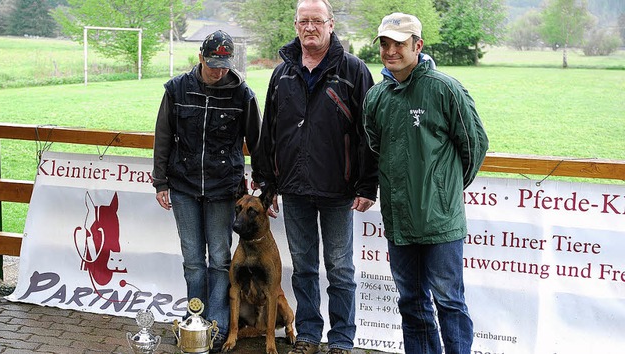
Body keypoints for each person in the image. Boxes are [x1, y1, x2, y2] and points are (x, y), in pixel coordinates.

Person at [252, 0, 378, 353]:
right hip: (293, 188)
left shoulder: (353, 70)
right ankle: (307, 334)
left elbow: (369, 132)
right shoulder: (283, 74)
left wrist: (368, 184)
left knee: (339, 269)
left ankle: (341, 339)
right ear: (295, 26)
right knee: (303, 267)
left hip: (339, 188)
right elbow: (271, 131)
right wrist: (266, 183)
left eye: (317, 21)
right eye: (303, 21)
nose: (310, 27)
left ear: (331, 24)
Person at [363, 13, 489, 354]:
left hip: (440, 222)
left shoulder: (445, 89)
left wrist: (444, 192)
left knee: (449, 301)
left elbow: (474, 144)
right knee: (411, 302)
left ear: (417, 45)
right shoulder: (376, 97)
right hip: (399, 220)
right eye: (385, 44)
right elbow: (376, 147)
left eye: (399, 44)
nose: (391, 51)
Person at [152, 30, 261, 353]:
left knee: (218, 258)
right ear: (200, 57)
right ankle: (193, 321)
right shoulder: (176, 89)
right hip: (183, 185)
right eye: (213, 64)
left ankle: (217, 325)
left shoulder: (244, 95)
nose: (219, 71)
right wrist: (161, 182)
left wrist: (265, 184)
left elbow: (258, 143)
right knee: (192, 261)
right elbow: (163, 136)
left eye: (225, 65)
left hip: (223, 188)